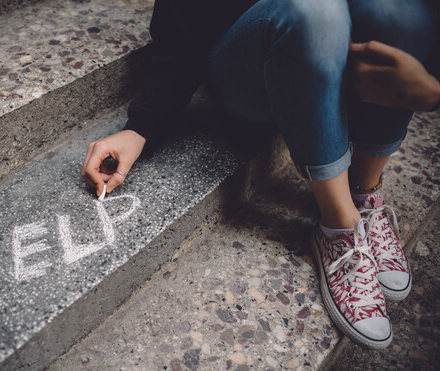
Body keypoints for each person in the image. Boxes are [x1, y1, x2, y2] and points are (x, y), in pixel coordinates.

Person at [82, 0, 439, 349]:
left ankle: (365, 191)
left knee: (400, 10)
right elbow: (180, 27)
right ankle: (340, 225)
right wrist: (142, 126)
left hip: (338, 65)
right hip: (254, 67)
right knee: (313, 8)